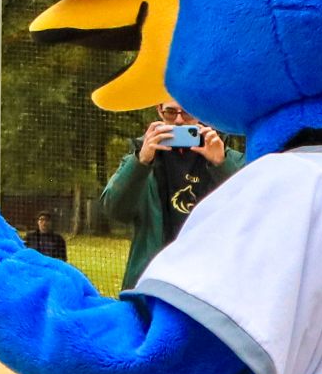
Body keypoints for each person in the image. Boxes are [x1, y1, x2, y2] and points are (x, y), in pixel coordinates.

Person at [98, 99, 237, 291]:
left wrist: (222, 164)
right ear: (159, 111)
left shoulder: (224, 156)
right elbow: (114, 209)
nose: (179, 121)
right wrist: (141, 162)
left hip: (207, 284)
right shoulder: (143, 155)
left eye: (187, 113)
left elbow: (251, 208)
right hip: (153, 282)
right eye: (171, 112)